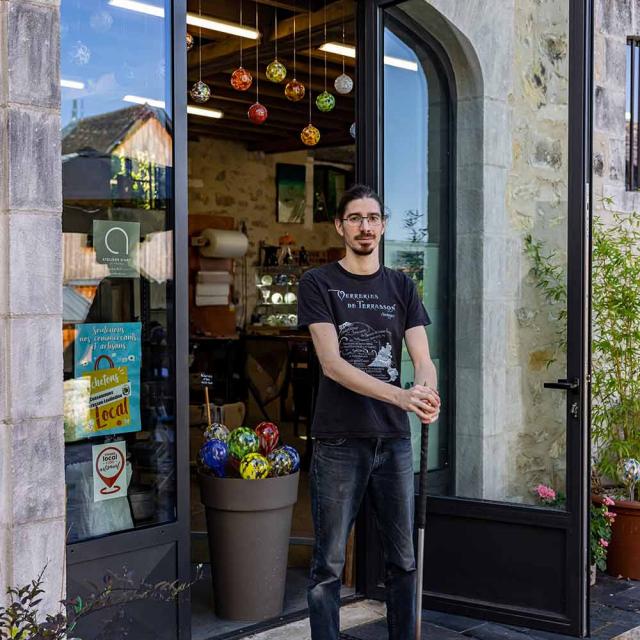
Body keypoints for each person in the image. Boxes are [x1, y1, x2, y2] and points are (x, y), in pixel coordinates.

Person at [297, 184, 440, 640]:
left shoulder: (401, 285)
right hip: (339, 440)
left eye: (373, 217)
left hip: (393, 441)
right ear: (340, 225)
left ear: (383, 225)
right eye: (355, 218)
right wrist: (400, 396)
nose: (365, 226)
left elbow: (423, 359)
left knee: (403, 559)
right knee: (329, 564)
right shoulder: (319, 283)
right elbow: (332, 365)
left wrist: (427, 393)